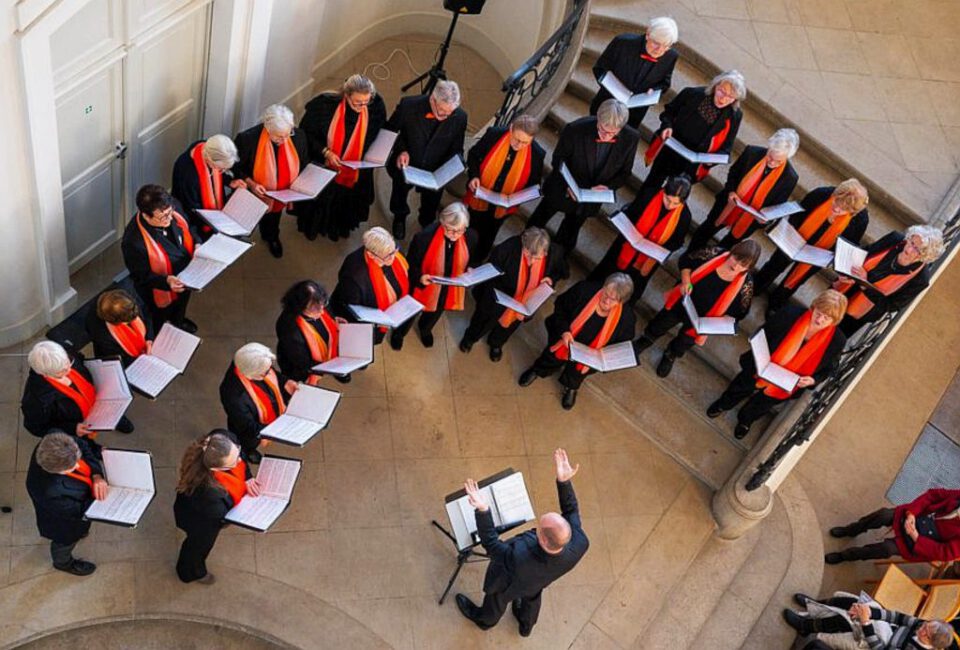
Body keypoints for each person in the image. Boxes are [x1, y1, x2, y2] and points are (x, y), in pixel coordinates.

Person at [456, 449, 588, 637]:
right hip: (540, 580)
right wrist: (564, 482)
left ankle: (485, 621)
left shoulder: (518, 556)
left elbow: (491, 544)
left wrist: (483, 510)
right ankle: (526, 625)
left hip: (511, 583)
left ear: (543, 539)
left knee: (497, 600)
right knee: (532, 596)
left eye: (539, 527)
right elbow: (571, 511)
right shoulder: (580, 541)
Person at [707, 289, 847, 440]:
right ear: (814, 306)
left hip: (786, 383)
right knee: (741, 386)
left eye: (826, 318)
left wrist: (813, 380)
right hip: (762, 366)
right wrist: (759, 351)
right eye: (818, 313)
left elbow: (830, 368)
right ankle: (724, 404)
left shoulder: (837, 341)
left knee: (763, 404)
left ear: (835, 320)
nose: (819, 320)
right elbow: (765, 333)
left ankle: (746, 420)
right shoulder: (790, 314)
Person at [527, 99, 640, 255]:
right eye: (602, 129)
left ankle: (556, 261)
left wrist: (608, 187)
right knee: (539, 220)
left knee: (569, 234)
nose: (606, 136)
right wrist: (569, 185)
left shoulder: (631, 138)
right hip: (562, 189)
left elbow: (625, 172)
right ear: (598, 118)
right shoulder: (575, 129)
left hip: (589, 200)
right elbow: (558, 160)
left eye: (612, 133)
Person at [634, 240, 760, 379]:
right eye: (735, 258)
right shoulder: (713, 253)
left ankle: (671, 354)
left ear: (749, 268)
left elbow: (739, 312)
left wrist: (719, 322)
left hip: (701, 321)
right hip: (683, 302)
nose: (736, 266)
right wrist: (686, 281)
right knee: (661, 323)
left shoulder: (746, 286)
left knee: (684, 342)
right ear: (732, 251)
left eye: (743, 265)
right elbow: (686, 261)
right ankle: (646, 339)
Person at [519, 273, 636, 410]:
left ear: (621, 302)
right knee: (551, 358)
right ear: (603, 286)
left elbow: (622, 343)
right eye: (606, 293)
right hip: (564, 340)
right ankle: (538, 370)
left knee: (577, 373)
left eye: (613, 299)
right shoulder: (584, 290)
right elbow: (560, 307)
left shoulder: (627, 318)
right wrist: (564, 331)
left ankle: (571, 386)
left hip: (589, 355)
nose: (606, 301)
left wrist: (604, 356)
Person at [754, 180, 870, 312]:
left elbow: (847, 244)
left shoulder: (860, 220)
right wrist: (791, 236)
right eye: (836, 202)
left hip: (819, 254)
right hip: (794, 239)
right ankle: (756, 288)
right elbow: (797, 215)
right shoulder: (821, 194)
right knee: (775, 265)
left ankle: (775, 304)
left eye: (843, 209)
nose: (837, 209)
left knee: (795, 280)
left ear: (853, 212)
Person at [298, 74, 387, 241]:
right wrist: (326, 152)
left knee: (346, 202)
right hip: (325, 164)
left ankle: (338, 229)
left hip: (355, 169)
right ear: (346, 95)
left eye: (366, 102)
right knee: (322, 200)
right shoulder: (323, 106)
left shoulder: (375, 107)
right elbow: (305, 134)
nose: (362, 107)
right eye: (357, 102)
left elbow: (380, 133)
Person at [460, 227, 568, 361]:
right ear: (523, 243)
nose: (531, 262)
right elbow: (491, 271)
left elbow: (563, 272)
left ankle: (496, 343)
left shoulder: (555, 253)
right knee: (482, 320)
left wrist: (551, 279)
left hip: (523, 305)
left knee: (509, 326)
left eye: (537, 258)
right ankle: (470, 338)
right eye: (528, 255)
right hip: (498, 297)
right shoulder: (507, 249)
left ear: (545, 252)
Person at [687, 128, 801, 252]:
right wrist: (731, 191)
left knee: (728, 245)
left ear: (787, 157)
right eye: (770, 156)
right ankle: (689, 254)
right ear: (769, 147)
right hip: (728, 204)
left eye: (778, 161)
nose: (772, 162)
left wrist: (766, 217)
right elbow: (733, 173)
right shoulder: (752, 153)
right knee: (706, 230)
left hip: (750, 220)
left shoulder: (790, 177)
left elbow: (777, 205)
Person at [588, 174, 693, 306]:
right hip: (626, 245)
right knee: (606, 273)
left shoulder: (684, 216)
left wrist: (660, 250)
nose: (669, 205)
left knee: (631, 287)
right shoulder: (649, 194)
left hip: (647, 259)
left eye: (675, 203)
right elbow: (631, 213)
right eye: (667, 199)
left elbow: (677, 242)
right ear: (663, 191)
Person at [174, 429, 261, 584]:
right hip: (200, 522)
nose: (239, 461)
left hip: (206, 512)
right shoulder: (208, 493)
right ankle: (190, 572)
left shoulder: (224, 439)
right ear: (216, 469)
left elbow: (241, 459)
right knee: (197, 548)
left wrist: (247, 477)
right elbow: (220, 517)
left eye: (237, 452)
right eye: (233, 462)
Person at [386, 80, 468, 240]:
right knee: (399, 194)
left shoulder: (460, 117)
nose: (445, 117)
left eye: (449, 113)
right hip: (408, 165)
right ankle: (400, 217)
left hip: (435, 170)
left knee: (431, 203)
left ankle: (426, 221)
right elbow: (390, 131)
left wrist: (453, 166)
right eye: (442, 111)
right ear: (432, 99)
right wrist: (402, 150)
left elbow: (456, 147)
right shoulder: (408, 106)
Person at [642, 70, 745, 192]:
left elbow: (726, 147)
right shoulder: (693, 94)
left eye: (730, 97)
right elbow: (669, 113)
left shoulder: (734, 116)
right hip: (670, 148)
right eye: (722, 91)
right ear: (715, 86)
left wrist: (710, 161)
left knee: (675, 193)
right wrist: (667, 126)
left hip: (692, 164)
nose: (723, 99)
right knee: (652, 184)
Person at [463, 114, 545, 263]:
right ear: (511, 129)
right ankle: (462, 254)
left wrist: (517, 197)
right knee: (471, 227)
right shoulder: (494, 135)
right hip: (480, 195)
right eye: (516, 139)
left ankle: (477, 260)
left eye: (525, 142)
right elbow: (473, 155)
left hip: (503, 206)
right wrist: (474, 176)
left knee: (490, 233)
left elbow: (533, 183)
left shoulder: (537, 154)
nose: (518, 145)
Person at [834, 225, 944, 337]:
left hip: (860, 312)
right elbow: (865, 253)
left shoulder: (920, 280)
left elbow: (891, 306)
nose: (909, 249)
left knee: (831, 337)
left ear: (925, 256)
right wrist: (845, 272)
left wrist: (865, 285)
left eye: (917, 250)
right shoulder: (894, 239)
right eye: (912, 242)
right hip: (844, 288)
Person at [26, 432, 108, 576]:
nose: (77, 464)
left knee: (80, 530)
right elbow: (78, 510)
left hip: (81, 496)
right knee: (65, 541)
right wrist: (106, 499)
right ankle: (63, 563)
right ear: (55, 471)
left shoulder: (57, 440)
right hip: (64, 523)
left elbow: (83, 446)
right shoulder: (48, 491)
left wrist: (96, 475)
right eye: (71, 467)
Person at [233, 104, 309, 258]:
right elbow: (235, 167)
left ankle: (271, 236)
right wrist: (252, 184)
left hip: (281, 195)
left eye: (288, 134)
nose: (285, 140)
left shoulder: (297, 136)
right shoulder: (247, 139)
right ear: (267, 128)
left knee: (272, 219)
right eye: (279, 136)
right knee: (243, 222)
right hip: (253, 194)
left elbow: (304, 162)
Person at [120, 184, 198, 333]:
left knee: (181, 303)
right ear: (146, 215)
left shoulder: (171, 207)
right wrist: (166, 281)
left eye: (170, 212)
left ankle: (178, 322)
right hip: (160, 288)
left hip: (185, 274)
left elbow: (189, 227)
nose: (170, 218)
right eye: (163, 217)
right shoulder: (133, 242)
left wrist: (197, 242)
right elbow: (141, 276)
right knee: (160, 317)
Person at [21, 340, 134, 439]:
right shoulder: (36, 399)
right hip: (79, 423)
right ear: (45, 373)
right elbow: (37, 427)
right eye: (61, 371)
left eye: (68, 362)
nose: (69, 370)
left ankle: (114, 419)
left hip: (99, 398)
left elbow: (80, 358)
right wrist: (71, 429)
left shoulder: (65, 351)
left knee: (113, 410)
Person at [404, 202, 478, 348]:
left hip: (448, 286)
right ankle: (400, 333)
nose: (454, 235)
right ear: (442, 222)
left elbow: (470, 259)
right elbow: (410, 264)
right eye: (450, 229)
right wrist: (420, 277)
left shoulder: (471, 237)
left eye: (459, 230)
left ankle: (425, 329)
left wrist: (469, 269)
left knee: (436, 312)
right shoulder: (423, 238)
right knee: (410, 311)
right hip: (424, 285)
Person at [824, 488, 960, 565]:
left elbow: (945, 552)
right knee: (883, 515)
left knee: (886, 549)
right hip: (918, 516)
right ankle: (851, 530)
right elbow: (933, 495)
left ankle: (845, 556)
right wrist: (912, 513)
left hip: (921, 542)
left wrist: (915, 536)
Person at [330, 226, 413, 349]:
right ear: (371, 254)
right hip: (368, 321)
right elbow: (353, 310)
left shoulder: (390, 254)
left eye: (394, 251)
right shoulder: (354, 276)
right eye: (387, 256)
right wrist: (379, 319)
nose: (394, 257)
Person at [589, 16, 680, 128]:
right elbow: (600, 68)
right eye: (656, 43)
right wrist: (612, 86)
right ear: (648, 34)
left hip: (634, 114)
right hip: (607, 102)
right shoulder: (622, 43)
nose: (660, 50)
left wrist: (654, 90)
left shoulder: (671, 56)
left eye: (666, 46)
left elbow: (665, 83)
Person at [218, 343, 298, 464]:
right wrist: (275, 430)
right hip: (248, 431)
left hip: (262, 411)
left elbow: (273, 374)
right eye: (265, 373)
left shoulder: (246, 359)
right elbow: (248, 427)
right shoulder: (234, 397)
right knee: (246, 442)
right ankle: (248, 451)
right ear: (251, 374)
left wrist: (285, 382)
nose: (269, 373)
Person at [783, 596, 953, 649]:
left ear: (931, 644)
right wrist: (871, 612)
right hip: (884, 629)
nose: (921, 629)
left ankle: (805, 626)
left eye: (925, 634)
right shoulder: (925, 625)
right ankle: (815, 604)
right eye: (925, 625)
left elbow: (879, 648)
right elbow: (897, 617)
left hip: (876, 645)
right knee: (853, 603)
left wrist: (866, 622)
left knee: (847, 620)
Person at [171, 134, 246, 239]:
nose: (222, 172)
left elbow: (216, 174)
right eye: (220, 169)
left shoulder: (205, 147)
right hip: (195, 218)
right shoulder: (188, 175)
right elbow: (192, 210)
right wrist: (217, 223)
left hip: (212, 213)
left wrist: (230, 181)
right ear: (209, 159)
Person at [275, 280, 350, 386]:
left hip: (324, 357)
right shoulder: (289, 328)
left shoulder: (319, 302)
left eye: (323, 304)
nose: (321, 311)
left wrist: (334, 319)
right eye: (314, 309)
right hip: (300, 368)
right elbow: (302, 362)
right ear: (300, 306)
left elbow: (327, 312)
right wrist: (331, 368)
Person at [85, 289, 154, 367]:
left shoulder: (128, 297)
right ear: (114, 322)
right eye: (127, 322)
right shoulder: (101, 333)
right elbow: (118, 358)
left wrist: (149, 339)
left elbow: (146, 313)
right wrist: (141, 360)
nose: (133, 321)